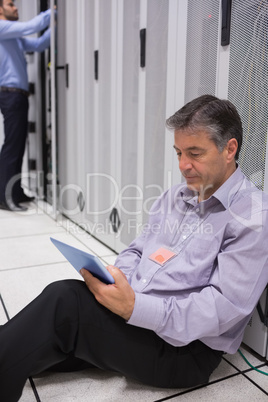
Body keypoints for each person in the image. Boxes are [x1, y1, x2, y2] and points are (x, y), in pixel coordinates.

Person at [1, 95, 268, 401]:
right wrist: (119, 281)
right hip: (138, 314)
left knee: (65, 303)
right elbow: (137, 249)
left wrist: (135, 308)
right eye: (179, 152)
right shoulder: (176, 197)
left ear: (229, 149)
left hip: (183, 351)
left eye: (195, 153)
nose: (183, 165)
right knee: (44, 332)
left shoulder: (253, 216)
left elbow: (221, 309)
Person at [0, 0, 51, 211]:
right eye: (11, 4)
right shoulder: (1, 27)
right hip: (10, 94)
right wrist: (53, 12)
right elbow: (32, 26)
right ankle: (5, 198)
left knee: (18, 145)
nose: (16, 8)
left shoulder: (13, 36)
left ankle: (16, 191)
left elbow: (38, 45)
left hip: (17, 96)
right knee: (12, 146)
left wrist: (54, 28)